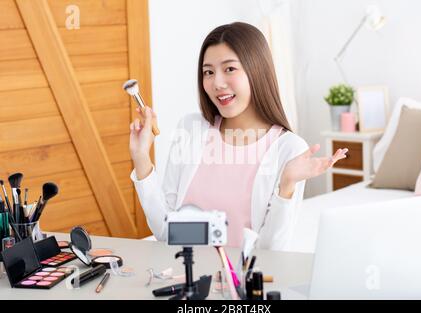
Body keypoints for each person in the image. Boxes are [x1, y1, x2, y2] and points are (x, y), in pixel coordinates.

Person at [129, 22, 347, 250]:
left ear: (256, 70)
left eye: (229, 69)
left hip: (240, 284)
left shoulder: (289, 149)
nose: (217, 83)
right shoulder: (191, 129)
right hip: (186, 278)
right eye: (208, 72)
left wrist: (287, 185)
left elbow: (270, 252)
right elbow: (166, 232)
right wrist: (141, 155)